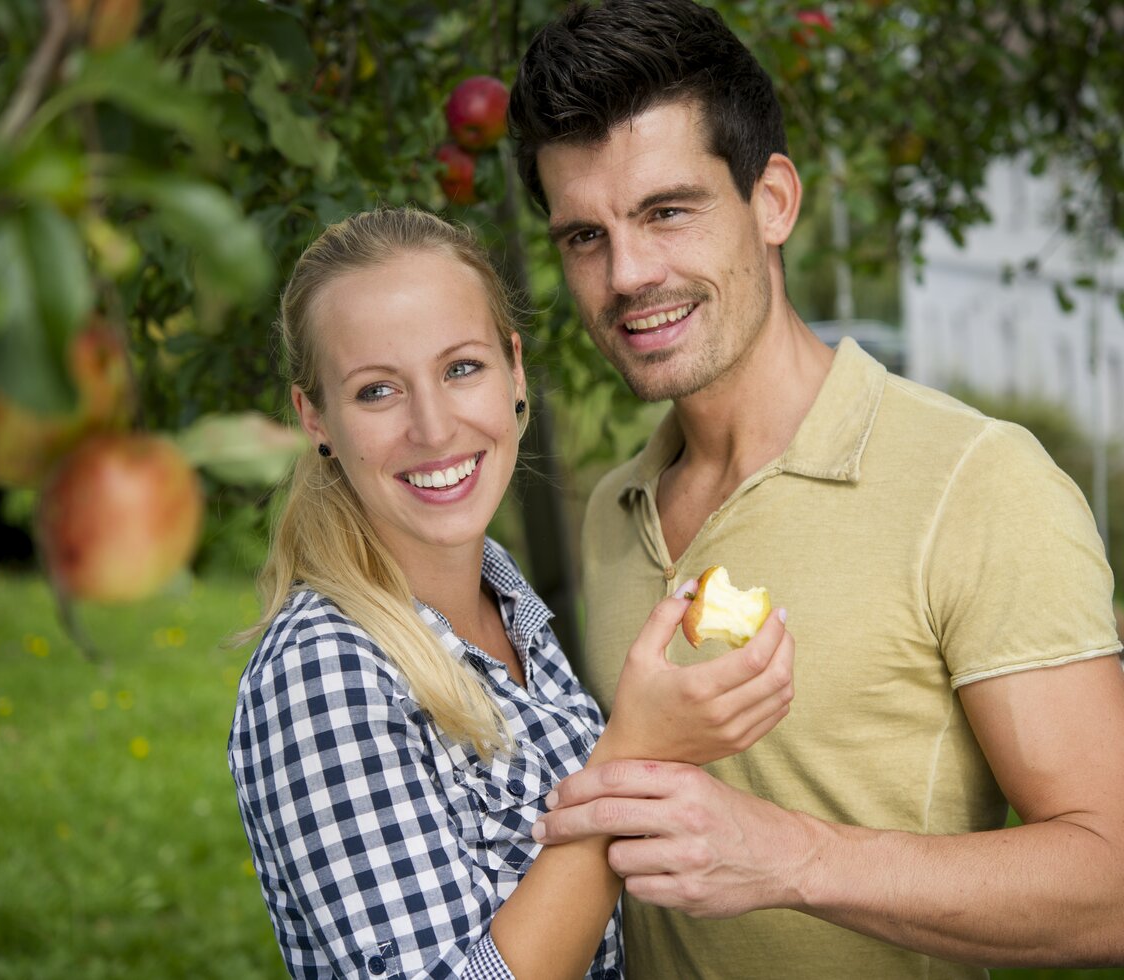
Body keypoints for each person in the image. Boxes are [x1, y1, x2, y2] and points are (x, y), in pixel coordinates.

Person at [507, 1, 1124, 977]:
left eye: (667, 210)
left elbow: (1113, 880)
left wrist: (793, 857)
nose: (627, 274)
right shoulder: (611, 512)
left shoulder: (977, 481)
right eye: (585, 236)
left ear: (774, 201)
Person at [226, 206, 796, 980]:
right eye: (376, 392)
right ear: (315, 418)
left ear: (514, 371)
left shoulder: (506, 609)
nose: (433, 428)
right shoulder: (324, 671)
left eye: (461, 369)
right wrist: (639, 750)